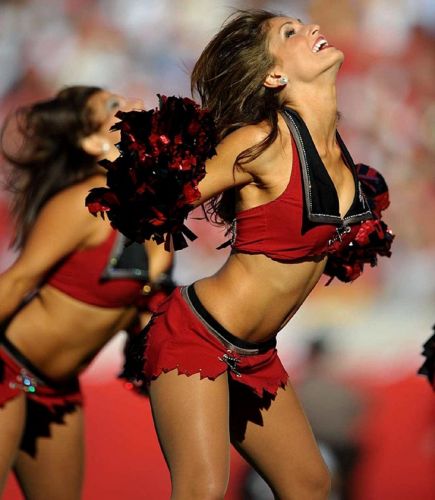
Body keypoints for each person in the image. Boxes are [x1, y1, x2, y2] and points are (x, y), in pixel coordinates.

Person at [88, 10, 393, 500]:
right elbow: (156, 197)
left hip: (258, 355)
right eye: (290, 32)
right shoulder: (260, 142)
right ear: (274, 76)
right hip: (197, 337)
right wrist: (145, 272)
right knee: (203, 490)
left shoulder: (339, 155)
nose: (312, 28)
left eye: (303, 23)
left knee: (311, 485)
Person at [0, 85, 173, 499]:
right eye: (114, 106)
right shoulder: (84, 202)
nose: (132, 103)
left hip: (58, 390)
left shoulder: (157, 206)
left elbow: (140, 305)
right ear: (93, 142)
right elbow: (17, 281)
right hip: (7, 368)